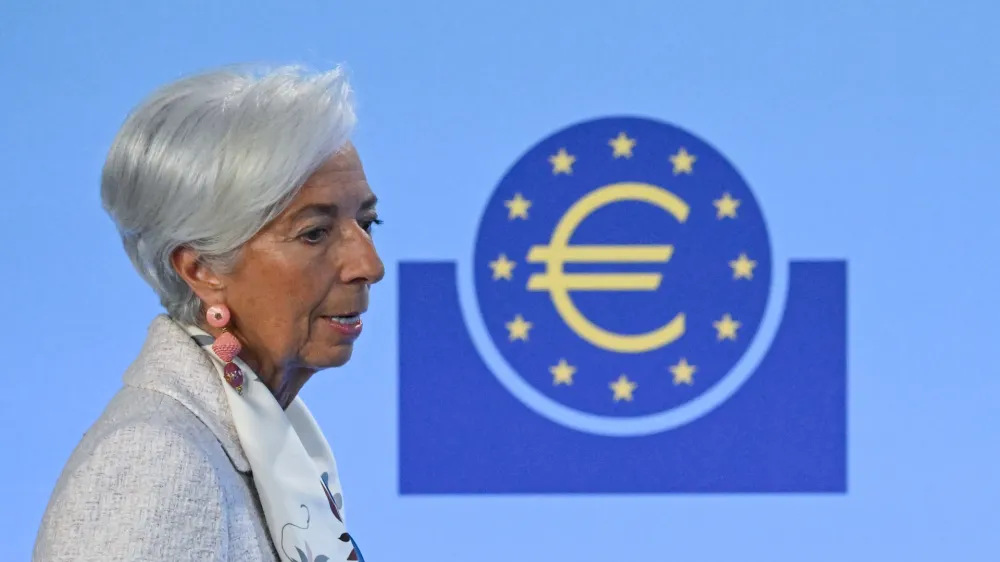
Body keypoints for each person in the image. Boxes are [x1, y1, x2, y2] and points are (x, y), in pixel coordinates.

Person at [33, 64, 384, 562]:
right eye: (314, 233)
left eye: (368, 222)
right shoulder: (155, 460)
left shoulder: (262, 435)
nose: (369, 265)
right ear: (200, 269)